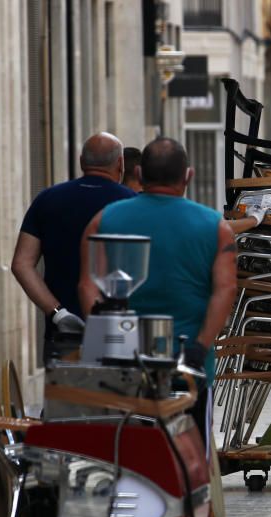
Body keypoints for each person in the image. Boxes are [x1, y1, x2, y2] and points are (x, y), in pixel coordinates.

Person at [78, 137, 238, 441]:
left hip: (122, 364)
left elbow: (88, 285)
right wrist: (199, 347)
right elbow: (226, 290)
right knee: (190, 455)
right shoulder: (216, 227)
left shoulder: (103, 220)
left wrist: (105, 338)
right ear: (188, 176)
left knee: (124, 451)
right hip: (188, 365)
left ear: (138, 175)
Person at [12, 132, 136, 357]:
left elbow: (21, 264)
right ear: (120, 164)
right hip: (119, 333)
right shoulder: (131, 204)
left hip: (63, 334)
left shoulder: (47, 199)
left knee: (64, 392)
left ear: (81, 161)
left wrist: (58, 313)